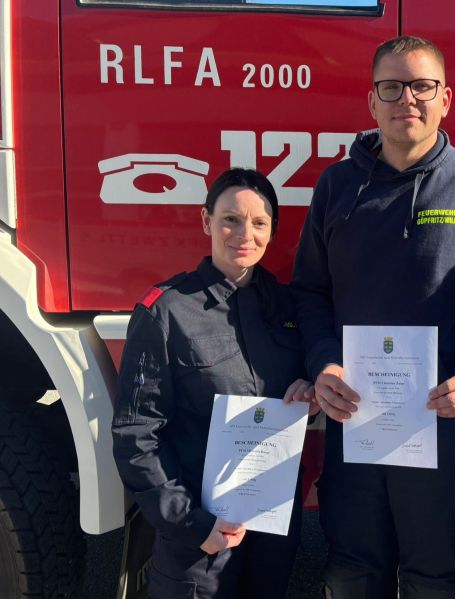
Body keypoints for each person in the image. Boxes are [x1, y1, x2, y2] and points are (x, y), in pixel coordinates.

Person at [291, 35, 455, 598]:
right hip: (356, 428)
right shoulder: (337, 186)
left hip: (444, 429)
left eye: (422, 86)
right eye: (392, 87)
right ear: (372, 102)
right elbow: (310, 293)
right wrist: (324, 363)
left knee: (439, 580)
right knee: (354, 575)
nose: (407, 99)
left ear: (446, 98)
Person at [112, 168, 316, 599]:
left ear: (272, 231)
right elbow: (136, 436)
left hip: (270, 532)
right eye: (230, 220)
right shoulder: (167, 312)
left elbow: (305, 388)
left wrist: (310, 395)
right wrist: (191, 523)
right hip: (197, 544)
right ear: (206, 221)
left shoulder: (288, 307)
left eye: (259, 223)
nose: (245, 234)